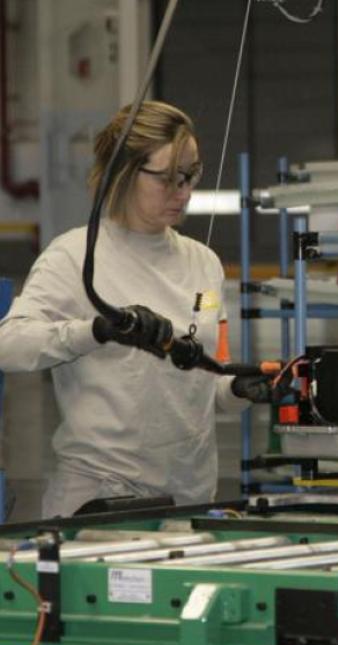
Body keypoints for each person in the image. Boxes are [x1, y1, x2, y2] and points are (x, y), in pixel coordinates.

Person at [0, 100, 270, 518]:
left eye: (190, 174)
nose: (183, 192)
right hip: (100, 496)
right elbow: (9, 345)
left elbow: (207, 383)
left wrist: (237, 390)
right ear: (122, 172)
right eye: (166, 178)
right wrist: (96, 330)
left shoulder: (205, 263)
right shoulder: (74, 257)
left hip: (189, 500)